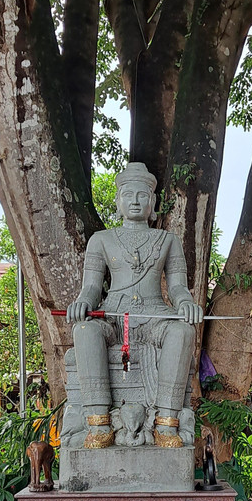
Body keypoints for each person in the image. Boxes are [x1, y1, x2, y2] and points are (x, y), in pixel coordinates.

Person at [67, 162, 202, 448]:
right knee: (85, 330)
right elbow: (91, 286)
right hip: (115, 315)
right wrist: (83, 302)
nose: (136, 201)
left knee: (183, 332)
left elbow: (177, 286)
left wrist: (186, 303)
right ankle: (99, 422)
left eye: (143, 195)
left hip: (155, 315)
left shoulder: (167, 240)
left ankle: (166, 423)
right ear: (118, 201)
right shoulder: (100, 241)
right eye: (129, 195)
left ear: (153, 202)